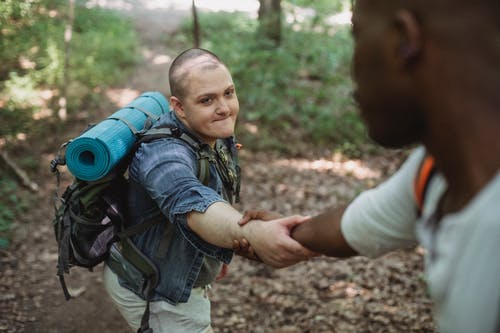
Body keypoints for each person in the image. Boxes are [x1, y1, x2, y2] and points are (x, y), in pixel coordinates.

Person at [238, 1, 500, 332]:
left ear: (404, 40)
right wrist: (280, 232)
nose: (352, 67)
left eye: (357, 35)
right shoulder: (434, 173)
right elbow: (351, 226)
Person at [103, 48, 315, 333]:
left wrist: (218, 249)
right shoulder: (162, 155)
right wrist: (248, 233)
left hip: (177, 275)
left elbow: (215, 194)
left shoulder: (213, 131)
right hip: (154, 288)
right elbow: (191, 202)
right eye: (207, 100)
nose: (224, 108)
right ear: (178, 107)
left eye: (228, 93)